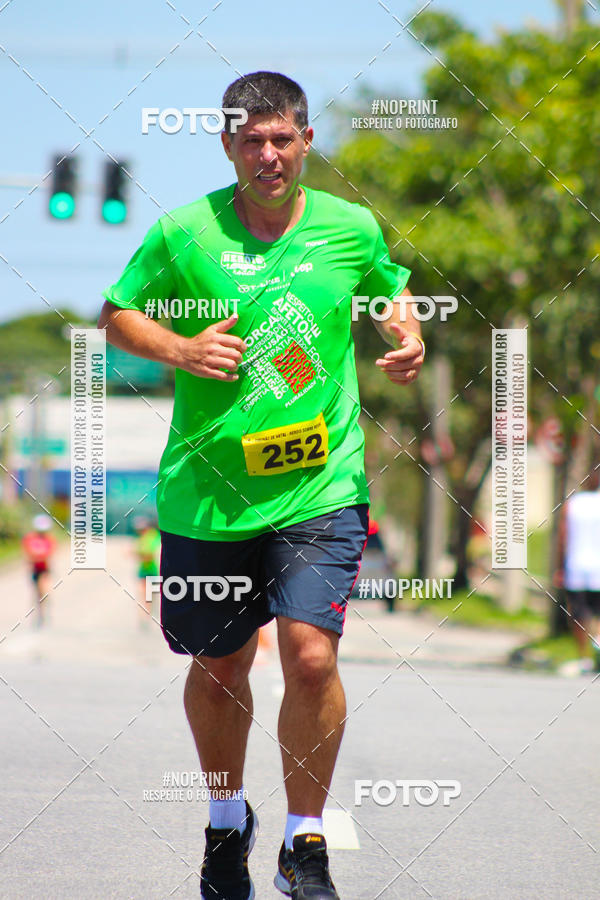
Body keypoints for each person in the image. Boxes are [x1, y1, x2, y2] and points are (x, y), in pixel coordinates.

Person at [98, 71, 424, 900]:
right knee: (219, 667)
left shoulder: (348, 226)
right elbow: (118, 314)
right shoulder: (185, 233)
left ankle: (303, 844)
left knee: (311, 658)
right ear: (228, 144)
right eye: (253, 140)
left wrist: (406, 329)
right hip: (208, 494)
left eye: (284, 139)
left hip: (321, 484)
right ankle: (223, 822)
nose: (269, 154)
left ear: (306, 141)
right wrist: (178, 349)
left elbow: (389, 284)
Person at [556, 469, 600, 673]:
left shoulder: (573, 503)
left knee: (579, 615)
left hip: (576, 566)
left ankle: (584, 657)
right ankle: (595, 651)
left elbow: (563, 537)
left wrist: (559, 567)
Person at [22, 514, 56, 627]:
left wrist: (37, 556)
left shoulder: (49, 539)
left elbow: (49, 553)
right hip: (34, 569)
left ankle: (45, 608)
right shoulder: (30, 538)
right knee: (37, 593)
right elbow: (27, 552)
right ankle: (40, 614)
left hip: (44, 568)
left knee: (43, 589)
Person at [132, 516, 161, 627]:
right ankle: (145, 615)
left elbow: (150, 554)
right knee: (144, 594)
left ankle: (148, 614)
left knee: (151, 594)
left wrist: (140, 554)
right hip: (143, 570)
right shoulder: (140, 537)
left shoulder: (153, 536)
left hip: (152, 569)